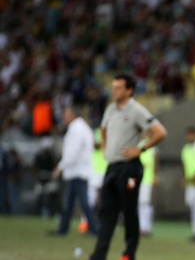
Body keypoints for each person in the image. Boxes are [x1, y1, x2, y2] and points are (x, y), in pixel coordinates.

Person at [89, 73, 168, 260]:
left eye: (118, 88)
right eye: (113, 87)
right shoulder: (110, 109)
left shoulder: (136, 110)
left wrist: (140, 149)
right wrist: (108, 150)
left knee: (129, 209)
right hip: (112, 168)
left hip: (129, 169)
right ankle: (98, 255)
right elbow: (103, 128)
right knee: (106, 211)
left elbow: (160, 132)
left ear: (129, 90)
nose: (113, 91)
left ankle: (128, 254)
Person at [49, 105, 98, 236]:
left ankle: (94, 229)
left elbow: (72, 152)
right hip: (79, 170)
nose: (64, 117)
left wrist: (60, 167)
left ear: (72, 115)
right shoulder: (83, 127)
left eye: (66, 114)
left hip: (78, 171)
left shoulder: (76, 129)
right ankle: (63, 228)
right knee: (70, 203)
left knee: (83, 203)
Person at [33, 137, 60, 218]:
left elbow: (55, 166)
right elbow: (34, 167)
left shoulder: (52, 156)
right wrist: (36, 175)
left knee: (52, 196)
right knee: (39, 197)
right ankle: (38, 213)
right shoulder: (39, 156)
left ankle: (52, 212)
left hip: (49, 178)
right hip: (41, 178)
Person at [138, 133, 159, 237]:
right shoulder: (136, 144)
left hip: (147, 179)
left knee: (145, 203)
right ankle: (139, 228)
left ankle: (145, 228)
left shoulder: (152, 145)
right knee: (136, 203)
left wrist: (155, 176)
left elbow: (156, 162)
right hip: (135, 179)